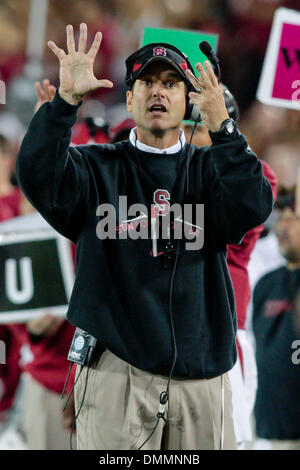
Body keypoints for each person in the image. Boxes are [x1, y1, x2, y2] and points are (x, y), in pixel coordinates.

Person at [16, 23, 273, 450]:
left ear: (187, 100)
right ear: (129, 99)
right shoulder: (94, 167)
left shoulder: (212, 169)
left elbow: (254, 205)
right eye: (147, 82)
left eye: (171, 83)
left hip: (201, 373)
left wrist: (224, 128)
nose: (159, 92)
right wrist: (64, 104)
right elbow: (37, 176)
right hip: (116, 371)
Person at [252, 201, 300, 450]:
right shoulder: (265, 284)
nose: (283, 226)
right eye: (282, 218)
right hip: (270, 431)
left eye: (294, 219)